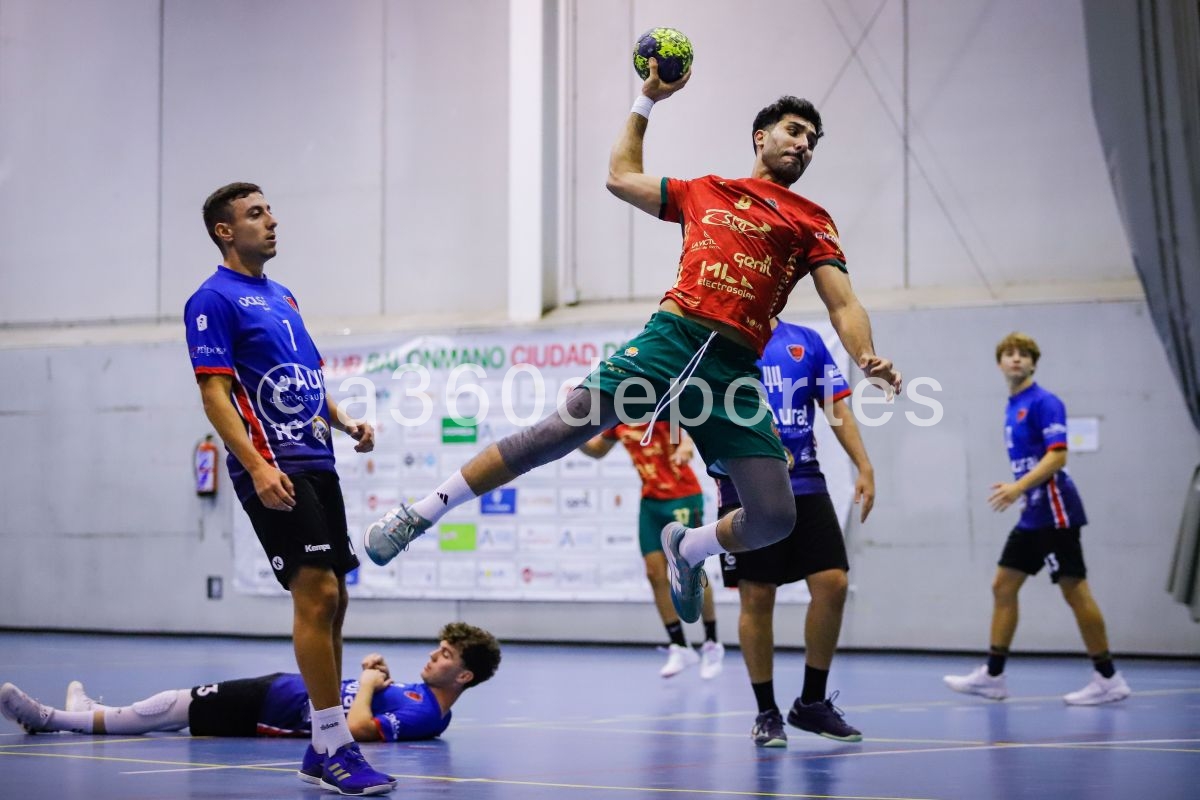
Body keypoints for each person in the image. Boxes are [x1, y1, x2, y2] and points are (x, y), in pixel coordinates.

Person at [364, 61, 901, 630]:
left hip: (733, 370)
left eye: (813, 141)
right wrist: (647, 99)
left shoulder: (812, 219)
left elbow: (843, 303)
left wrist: (865, 356)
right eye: (795, 131)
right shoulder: (705, 191)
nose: (804, 145)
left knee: (773, 517)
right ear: (760, 137)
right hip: (673, 339)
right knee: (551, 435)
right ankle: (419, 515)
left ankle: (688, 548)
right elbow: (620, 176)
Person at [182, 182, 391, 795]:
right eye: (254, 214)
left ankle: (320, 744)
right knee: (317, 593)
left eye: (269, 210)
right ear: (225, 230)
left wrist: (345, 421)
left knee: (336, 599)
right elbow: (215, 394)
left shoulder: (284, 297)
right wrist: (256, 464)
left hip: (317, 461)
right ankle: (336, 744)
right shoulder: (211, 300)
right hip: (272, 465)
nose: (271, 221)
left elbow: (304, 378)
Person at [0, 623, 500, 784]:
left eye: (446, 654)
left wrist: (368, 681)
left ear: (464, 675)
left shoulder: (424, 714)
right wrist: (377, 677)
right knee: (178, 711)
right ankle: (87, 715)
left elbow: (357, 727)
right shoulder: (422, 700)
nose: (435, 654)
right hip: (280, 690)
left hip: (273, 708)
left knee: (170, 706)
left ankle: (52, 720)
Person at [943, 332, 1131, 705]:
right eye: (1009, 354)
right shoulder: (1013, 406)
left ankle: (1108, 678)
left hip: (1056, 511)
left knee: (1075, 590)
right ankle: (993, 676)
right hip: (1033, 513)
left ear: (1033, 363)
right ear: (1000, 364)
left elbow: (1057, 456)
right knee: (1003, 585)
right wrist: (1020, 492)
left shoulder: (1046, 402)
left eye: (1023, 354)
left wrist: (1017, 488)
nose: (1015, 359)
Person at [716, 319, 873, 747]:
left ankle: (812, 703)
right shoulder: (719, 337)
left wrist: (863, 465)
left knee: (833, 582)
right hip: (744, 484)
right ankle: (766, 712)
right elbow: (700, 408)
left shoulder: (806, 340)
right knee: (758, 593)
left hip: (805, 478)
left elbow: (837, 406)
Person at [578, 423, 724, 678]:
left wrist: (688, 444)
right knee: (654, 573)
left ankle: (712, 644)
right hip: (650, 504)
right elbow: (597, 450)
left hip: (683, 497)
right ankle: (679, 646)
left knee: (689, 570)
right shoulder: (618, 419)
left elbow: (691, 426)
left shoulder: (662, 403)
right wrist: (573, 434)